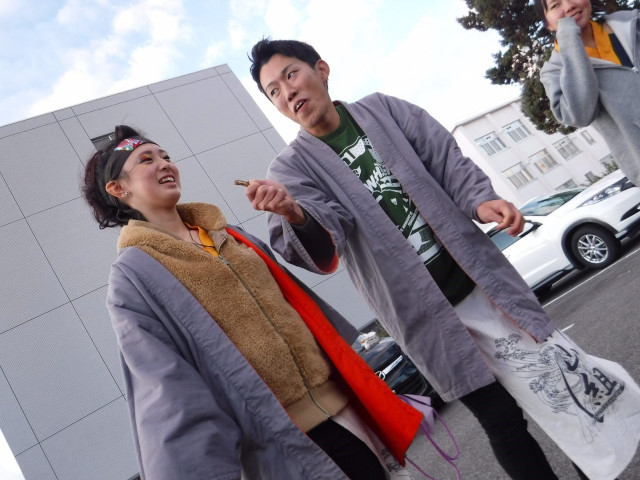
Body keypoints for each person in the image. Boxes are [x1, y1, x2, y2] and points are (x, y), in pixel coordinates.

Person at [244, 39, 640, 480]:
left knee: (561, 386)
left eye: (291, 74)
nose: (287, 92)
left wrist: (481, 200)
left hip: (482, 285)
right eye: (274, 91)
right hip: (426, 318)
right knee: (502, 421)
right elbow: (325, 234)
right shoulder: (291, 170)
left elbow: (445, 158)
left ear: (321, 69)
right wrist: (295, 214)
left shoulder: (383, 110)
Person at [81, 124, 426, 480]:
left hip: (344, 414)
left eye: (166, 156)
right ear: (118, 188)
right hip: (278, 446)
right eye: (146, 160)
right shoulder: (133, 277)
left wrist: (294, 213)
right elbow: (165, 387)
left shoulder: (226, 234)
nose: (165, 164)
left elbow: (309, 276)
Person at [537, 0, 640, 186]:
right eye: (555, 5)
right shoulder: (554, 71)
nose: (569, 6)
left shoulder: (630, 23)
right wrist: (569, 38)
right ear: (548, 24)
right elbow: (580, 115)